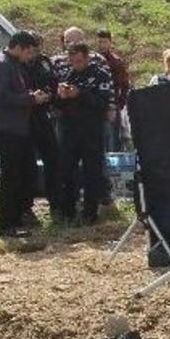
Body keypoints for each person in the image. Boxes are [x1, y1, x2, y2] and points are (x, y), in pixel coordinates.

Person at [0, 31, 47, 237]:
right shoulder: (1, 65)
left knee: (20, 176)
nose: (29, 56)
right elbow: (1, 97)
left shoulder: (13, 64)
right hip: (8, 129)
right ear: (18, 47)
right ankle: (5, 225)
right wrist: (30, 99)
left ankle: (16, 218)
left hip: (18, 128)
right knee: (10, 177)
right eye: (28, 52)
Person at [55, 42, 113, 225]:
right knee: (66, 171)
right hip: (70, 131)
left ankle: (90, 213)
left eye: (79, 61)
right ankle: (68, 212)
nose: (76, 65)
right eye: (73, 62)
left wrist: (80, 94)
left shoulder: (100, 75)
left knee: (92, 173)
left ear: (87, 58)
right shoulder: (68, 75)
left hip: (91, 131)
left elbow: (103, 102)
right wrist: (62, 96)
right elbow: (57, 106)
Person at [21, 32, 61, 222]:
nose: (35, 51)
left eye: (38, 47)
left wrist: (49, 95)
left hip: (43, 116)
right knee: (27, 165)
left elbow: (54, 81)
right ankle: (26, 207)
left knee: (53, 160)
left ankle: (57, 205)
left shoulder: (44, 62)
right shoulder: (16, 65)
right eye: (32, 47)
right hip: (25, 118)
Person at [95, 29, 130, 151]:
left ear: (110, 42)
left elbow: (125, 84)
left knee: (112, 141)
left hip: (112, 106)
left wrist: (120, 103)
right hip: (95, 105)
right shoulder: (92, 60)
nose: (102, 45)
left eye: (104, 42)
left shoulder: (116, 62)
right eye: (99, 42)